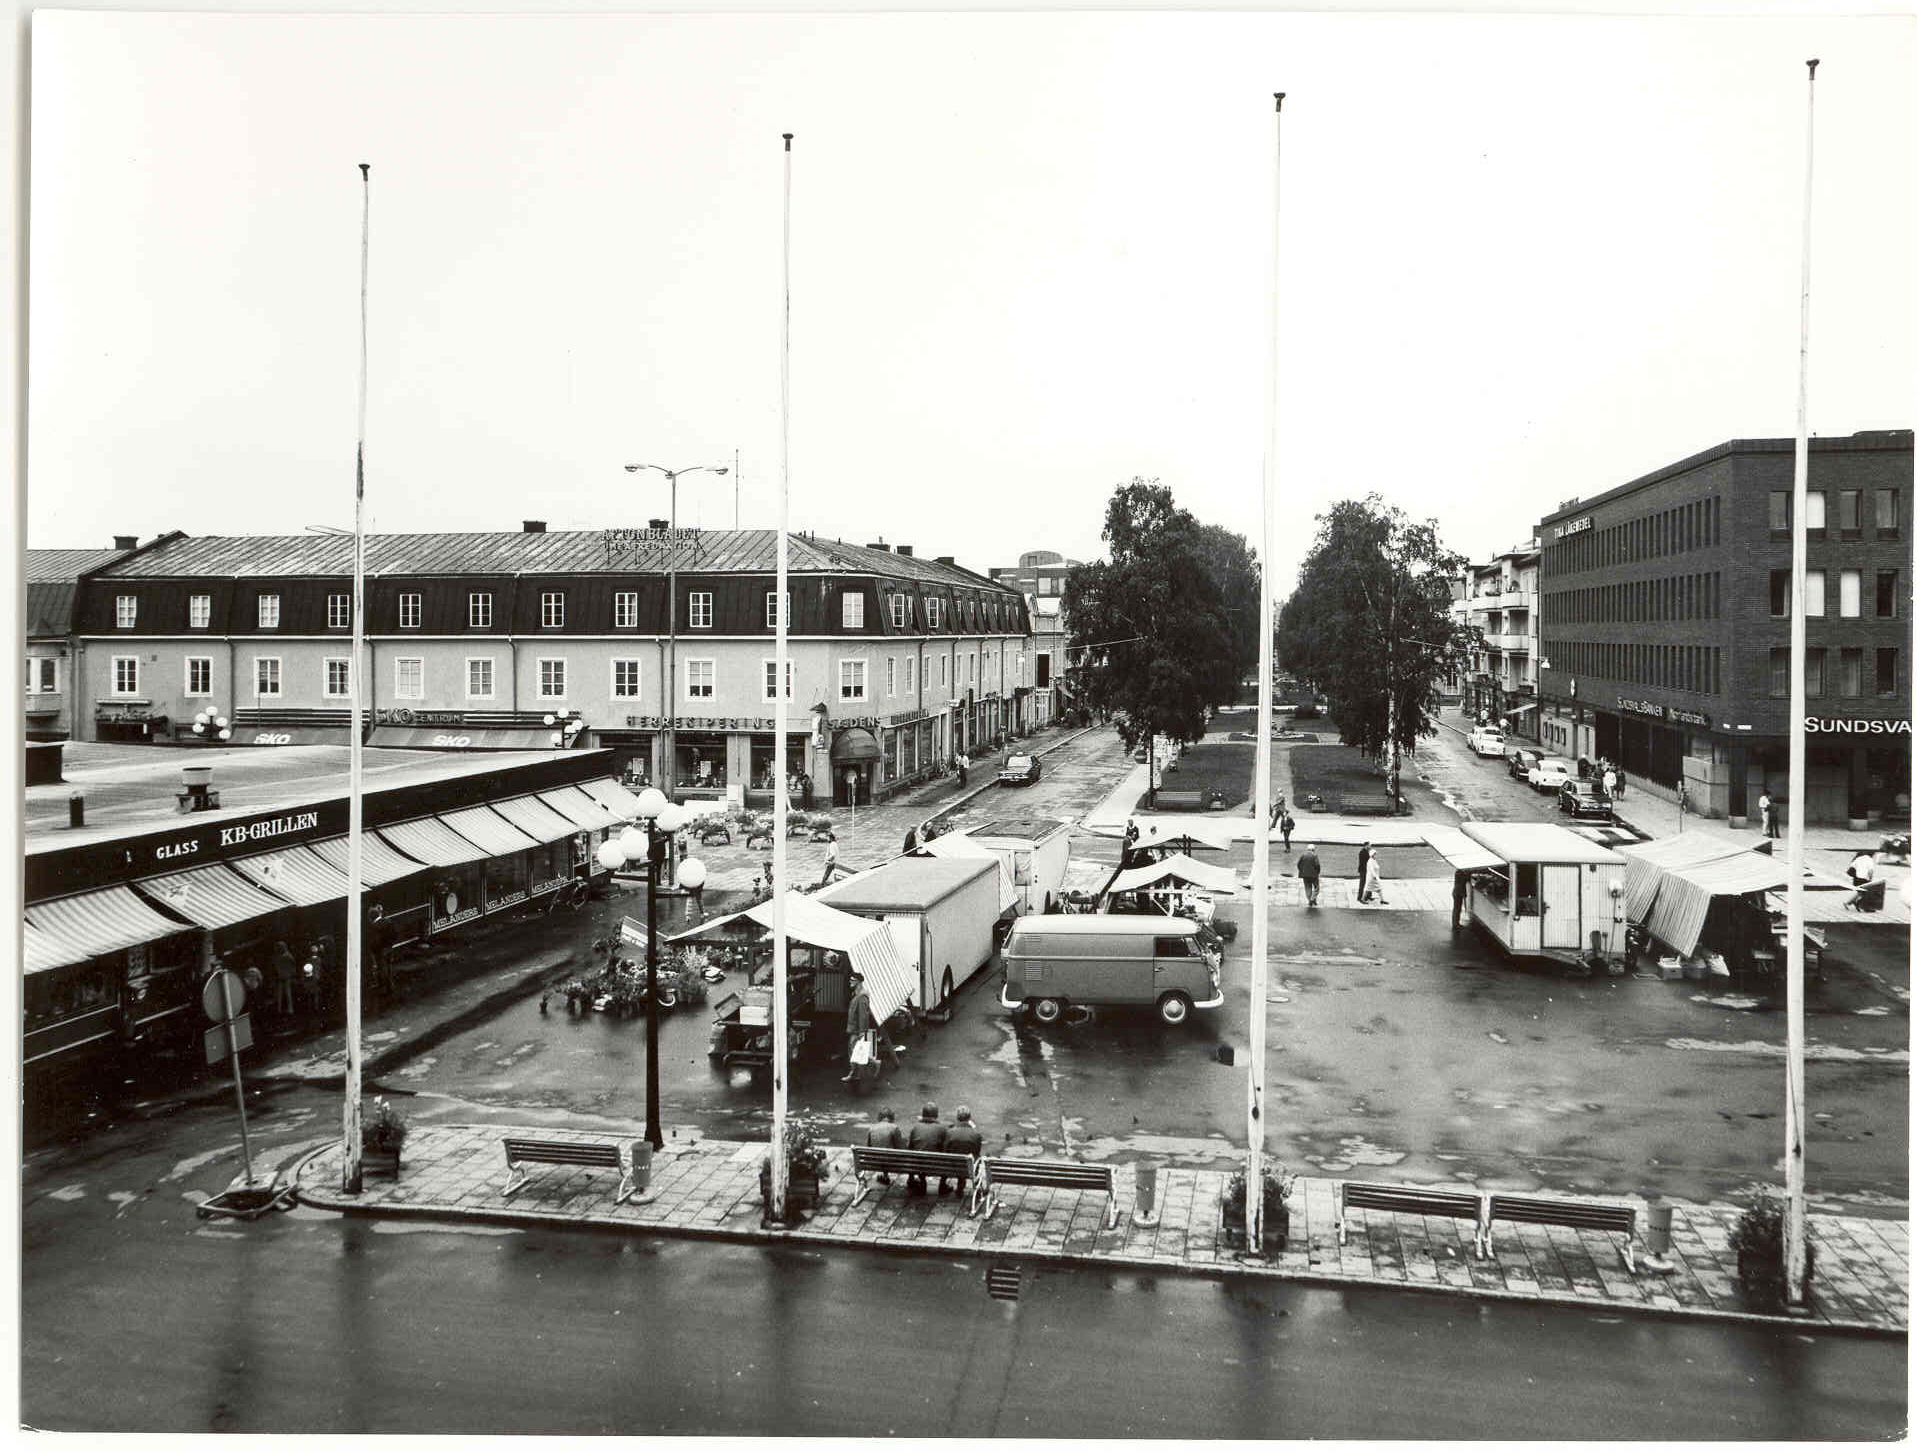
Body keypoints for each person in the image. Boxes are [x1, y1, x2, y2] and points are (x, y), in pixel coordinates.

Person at [906, 1102, 948, 1195]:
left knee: (917, 1154)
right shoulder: (942, 1128)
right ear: (936, 1115)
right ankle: (942, 1184)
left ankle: (921, 1180)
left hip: (918, 1164)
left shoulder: (915, 1127)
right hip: (936, 1165)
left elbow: (910, 1148)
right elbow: (945, 1149)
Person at [944, 1106, 984, 1201]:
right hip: (969, 1168)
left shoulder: (950, 1132)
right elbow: (977, 1152)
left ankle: (959, 1187)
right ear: (969, 1118)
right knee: (975, 1159)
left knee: (959, 1156)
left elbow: (945, 1150)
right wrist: (974, 1128)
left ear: (957, 1118)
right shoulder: (975, 1134)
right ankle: (979, 1189)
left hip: (951, 1167)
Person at [842, 971, 874, 1082]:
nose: (850, 982)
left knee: (856, 1053)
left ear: (859, 982)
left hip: (857, 1031)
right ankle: (856, 1074)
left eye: (853, 980)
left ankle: (856, 1075)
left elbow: (863, 1016)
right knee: (855, 1053)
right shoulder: (857, 995)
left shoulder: (861, 997)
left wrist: (862, 1032)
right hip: (854, 1030)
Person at [864, 1107, 905, 1183]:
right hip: (891, 1162)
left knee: (884, 1147)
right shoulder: (894, 1128)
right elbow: (900, 1148)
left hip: (874, 1163)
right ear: (891, 1117)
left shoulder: (872, 1128)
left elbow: (868, 1148)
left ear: (880, 1117)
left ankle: (885, 1176)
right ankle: (911, 1179)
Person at [272, 939, 298, 1016]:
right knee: (281, 994)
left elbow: (293, 965)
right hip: (281, 977)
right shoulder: (279, 956)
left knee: (287, 993)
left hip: (286, 977)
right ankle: (280, 1010)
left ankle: (289, 1009)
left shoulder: (287, 956)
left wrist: (292, 973)